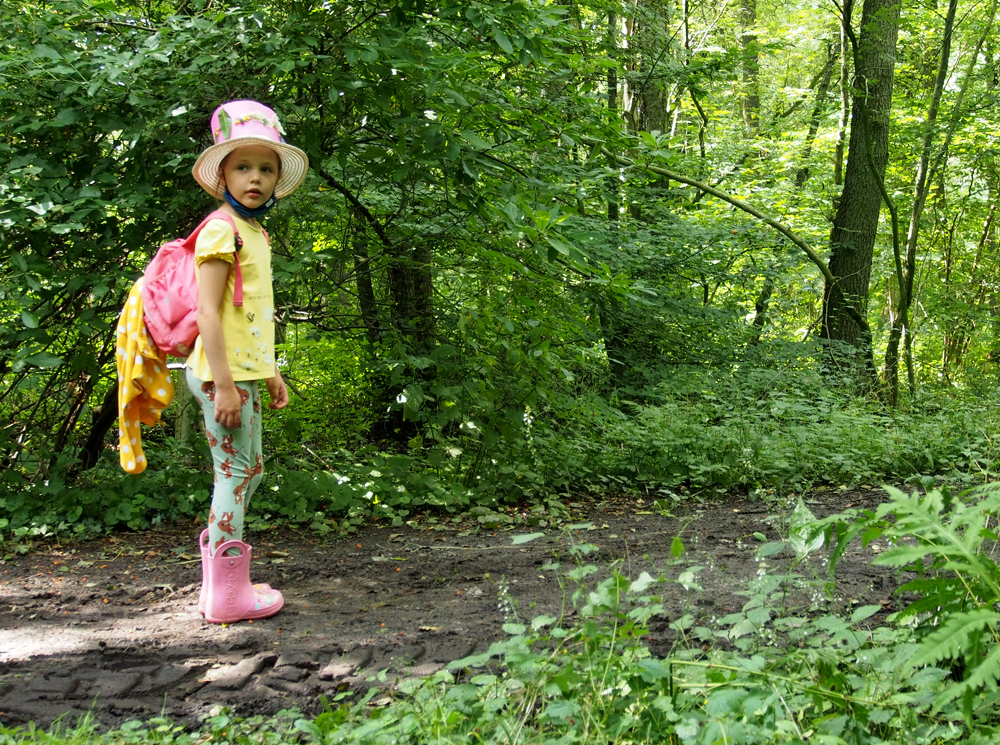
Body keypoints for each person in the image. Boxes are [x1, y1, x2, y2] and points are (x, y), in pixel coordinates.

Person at [187, 100, 308, 624]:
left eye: (265, 167)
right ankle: (227, 596)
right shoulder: (220, 229)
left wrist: (271, 370)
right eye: (242, 166)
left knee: (247, 471)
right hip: (221, 376)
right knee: (234, 476)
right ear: (222, 176)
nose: (254, 177)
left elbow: (252, 314)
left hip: (245, 372)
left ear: (278, 178)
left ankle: (220, 578)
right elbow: (207, 314)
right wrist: (227, 384)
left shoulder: (256, 231)